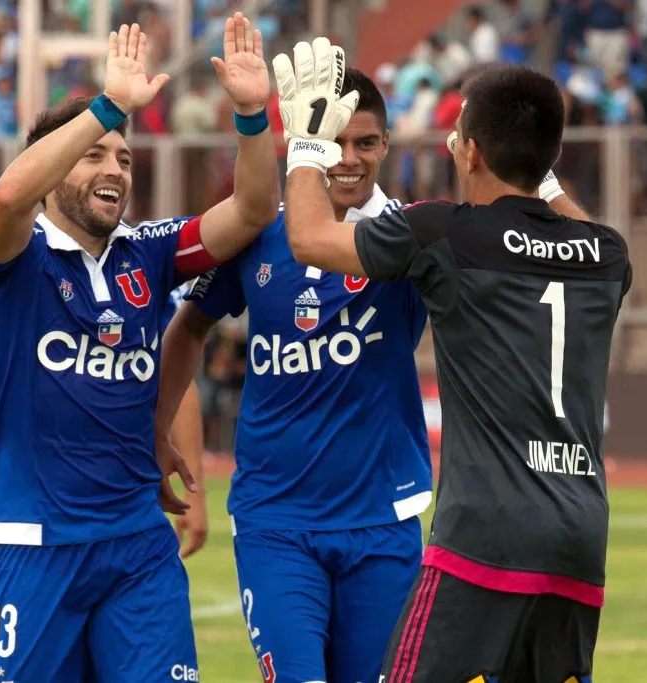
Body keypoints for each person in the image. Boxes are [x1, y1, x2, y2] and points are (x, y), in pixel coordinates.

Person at [276, 43, 631, 682]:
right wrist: (539, 169)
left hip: (483, 534)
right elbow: (574, 227)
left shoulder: (446, 233)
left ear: (469, 152)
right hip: (580, 537)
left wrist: (306, 142)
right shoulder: (605, 254)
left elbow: (307, 239)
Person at [0, 16, 277, 683]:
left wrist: (252, 113)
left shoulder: (152, 250)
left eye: (125, 157)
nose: (116, 168)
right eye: (94, 154)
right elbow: (10, 193)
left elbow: (252, 211)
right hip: (32, 545)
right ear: (50, 170)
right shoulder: (8, 253)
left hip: (137, 545)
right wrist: (107, 106)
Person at [155, 66, 432, 683]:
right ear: (309, 140)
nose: (349, 159)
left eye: (366, 143)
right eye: (333, 141)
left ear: (386, 145)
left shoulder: (415, 235)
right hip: (275, 520)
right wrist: (156, 426)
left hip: (382, 521)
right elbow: (188, 328)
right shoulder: (257, 233)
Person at [0, 285, 209, 559]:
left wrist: (195, 492)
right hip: (33, 509)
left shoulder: (150, 262)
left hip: (131, 509)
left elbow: (176, 374)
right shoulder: (29, 259)